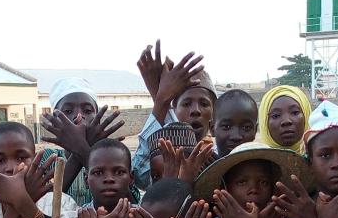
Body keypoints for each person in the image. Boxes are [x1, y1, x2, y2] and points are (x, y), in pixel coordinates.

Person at [132, 42, 215, 188]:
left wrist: (160, 96)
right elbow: (138, 175)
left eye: (204, 104)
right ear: (174, 110)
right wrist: (161, 99)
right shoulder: (162, 157)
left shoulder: (215, 158)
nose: (196, 110)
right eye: (186, 104)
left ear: (213, 115)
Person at [37, 77, 127, 207]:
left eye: (87, 111)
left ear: (97, 117)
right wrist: (81, 149)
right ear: (55, 120)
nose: (78, 116)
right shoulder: (47, 159)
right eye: (68, 111)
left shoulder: (116, 157)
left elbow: (131, 203)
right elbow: (44, 208)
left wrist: (81, 149)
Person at [258, 85, 312, 153]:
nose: (286, 121)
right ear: (264, 123)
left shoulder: (322, 157)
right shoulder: (252, 159)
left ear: (306, 115)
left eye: (295, 112)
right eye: (276, 116)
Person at [211, 89, 259, 157]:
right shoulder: (200, 162)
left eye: (246, 127)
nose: (236, 136)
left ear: (255, 131)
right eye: (226, 126)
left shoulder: (268, 162)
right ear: (212, 129)